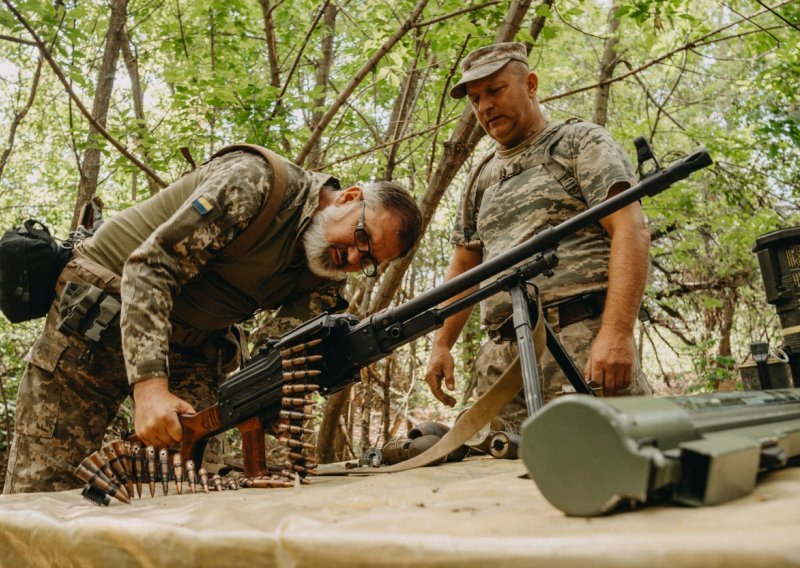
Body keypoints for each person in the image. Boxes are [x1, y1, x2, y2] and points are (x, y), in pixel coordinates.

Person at [4, 145, 422, 493]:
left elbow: (278, 356)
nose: (351, 257)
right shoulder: (256, 183)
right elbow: (150, 267)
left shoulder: (326, 279)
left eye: (367, 261)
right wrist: (150, 388)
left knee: (191, 488)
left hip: (192, 346)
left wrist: (283, 401)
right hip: (99, 315)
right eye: (361, 237)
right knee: (44, 486)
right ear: (349, 198)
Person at [425, 42, 652, 425]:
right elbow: (465, 267)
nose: (485, 107)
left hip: (582, 345)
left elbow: (630, 229)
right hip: (503, 364)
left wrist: (616, 333)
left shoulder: (579, 142)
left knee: (618, 470)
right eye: (476, 99)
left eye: (495, 91)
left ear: (530, 85)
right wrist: (441, 343)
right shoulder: (480, 178)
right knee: (502, 480)